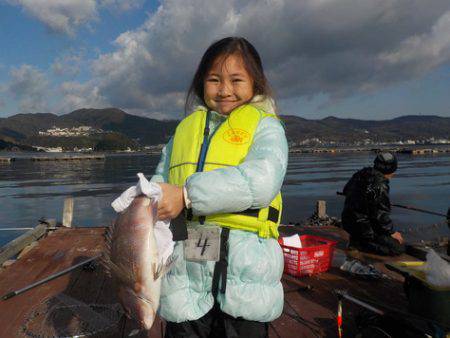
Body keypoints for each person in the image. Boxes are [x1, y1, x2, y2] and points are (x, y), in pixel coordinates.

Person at [150, 37, 288, 338]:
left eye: (236, 80)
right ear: (202, 84)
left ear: (256, 83)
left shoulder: (266, 126)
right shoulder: (184, 131)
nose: (224, 90)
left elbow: (261, 181)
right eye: (214, 80)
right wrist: (146, 201)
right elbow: (160, 182)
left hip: (246, 270)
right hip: (189, 265)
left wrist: (186, 195)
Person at [341, 152, 405, 256]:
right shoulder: (380, 185)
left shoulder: (361, 173)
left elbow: (346, 190)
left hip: (348, 222)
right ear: (392, 171)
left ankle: (357, 239)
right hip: (363, 227)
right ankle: (361, 244)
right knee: (399, 248)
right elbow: (381, 216)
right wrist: (392, 232)